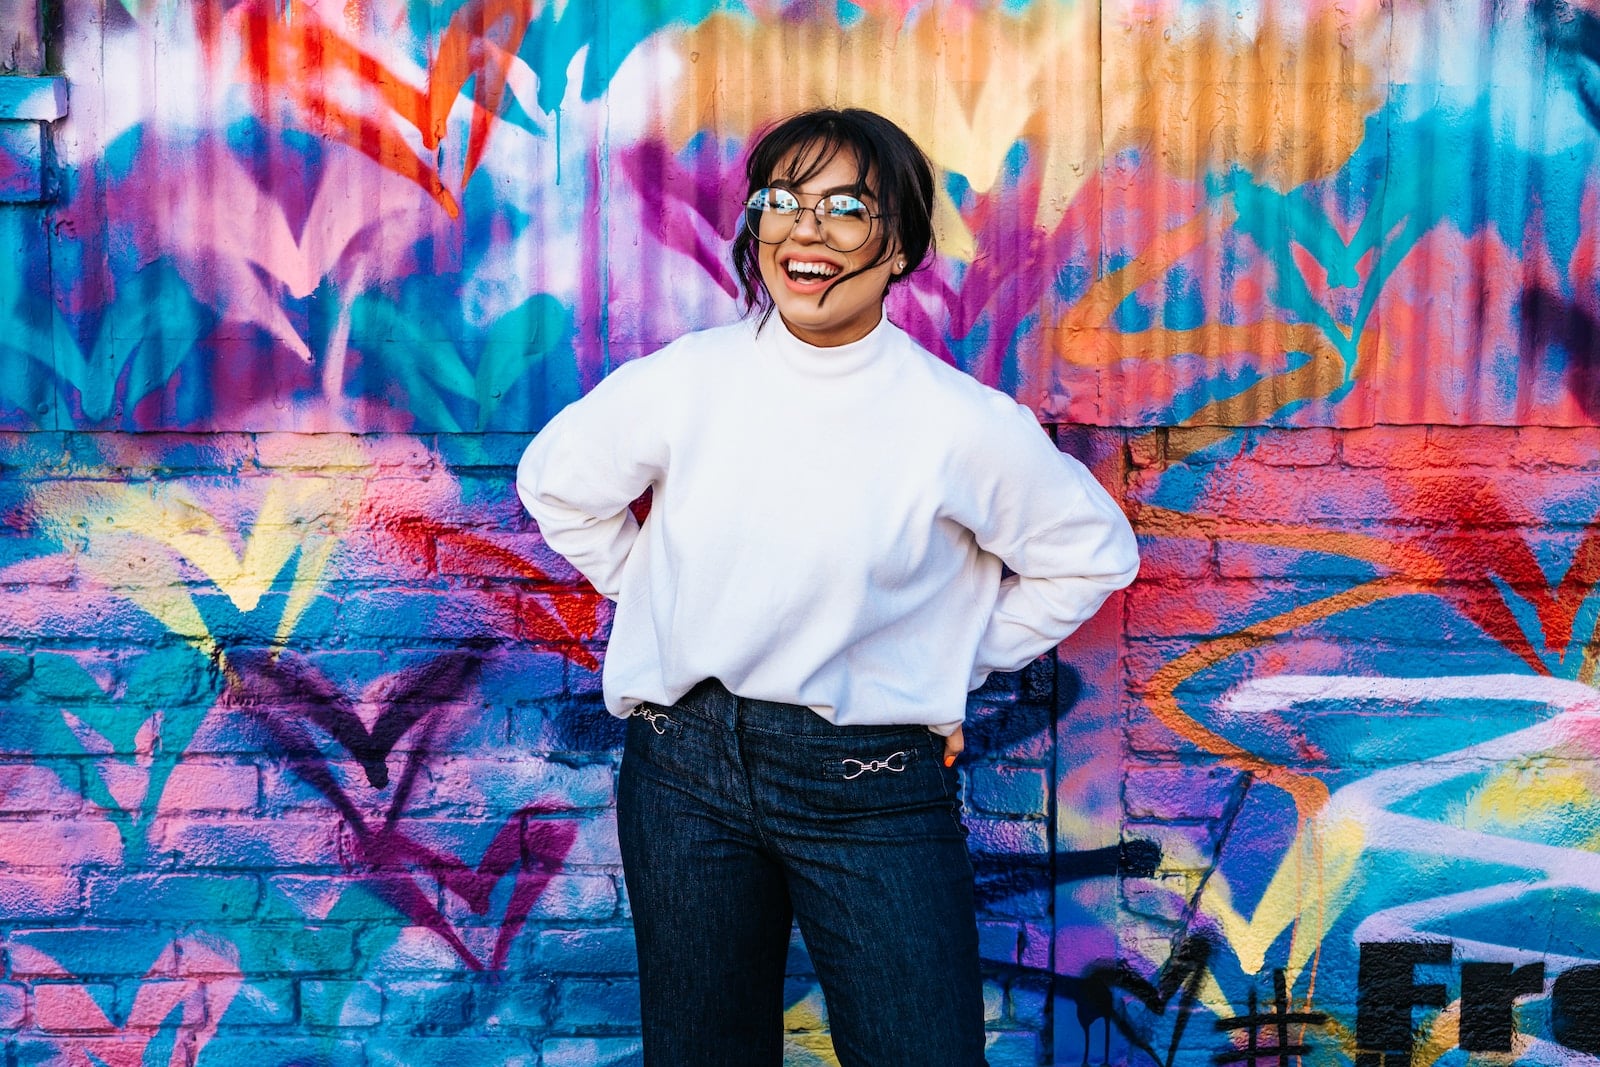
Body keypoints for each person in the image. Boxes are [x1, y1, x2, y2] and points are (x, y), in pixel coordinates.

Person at [516, 107, 1139, 1067]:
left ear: (900, 248)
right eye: (782, 202)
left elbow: (1092, 553)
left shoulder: (957, 422)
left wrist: (954, 659)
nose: (806, 231)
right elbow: (559, 484)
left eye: (847, 208)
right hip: (683, 774)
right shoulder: (690, 380)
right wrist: (656, 594)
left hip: (871, 785)